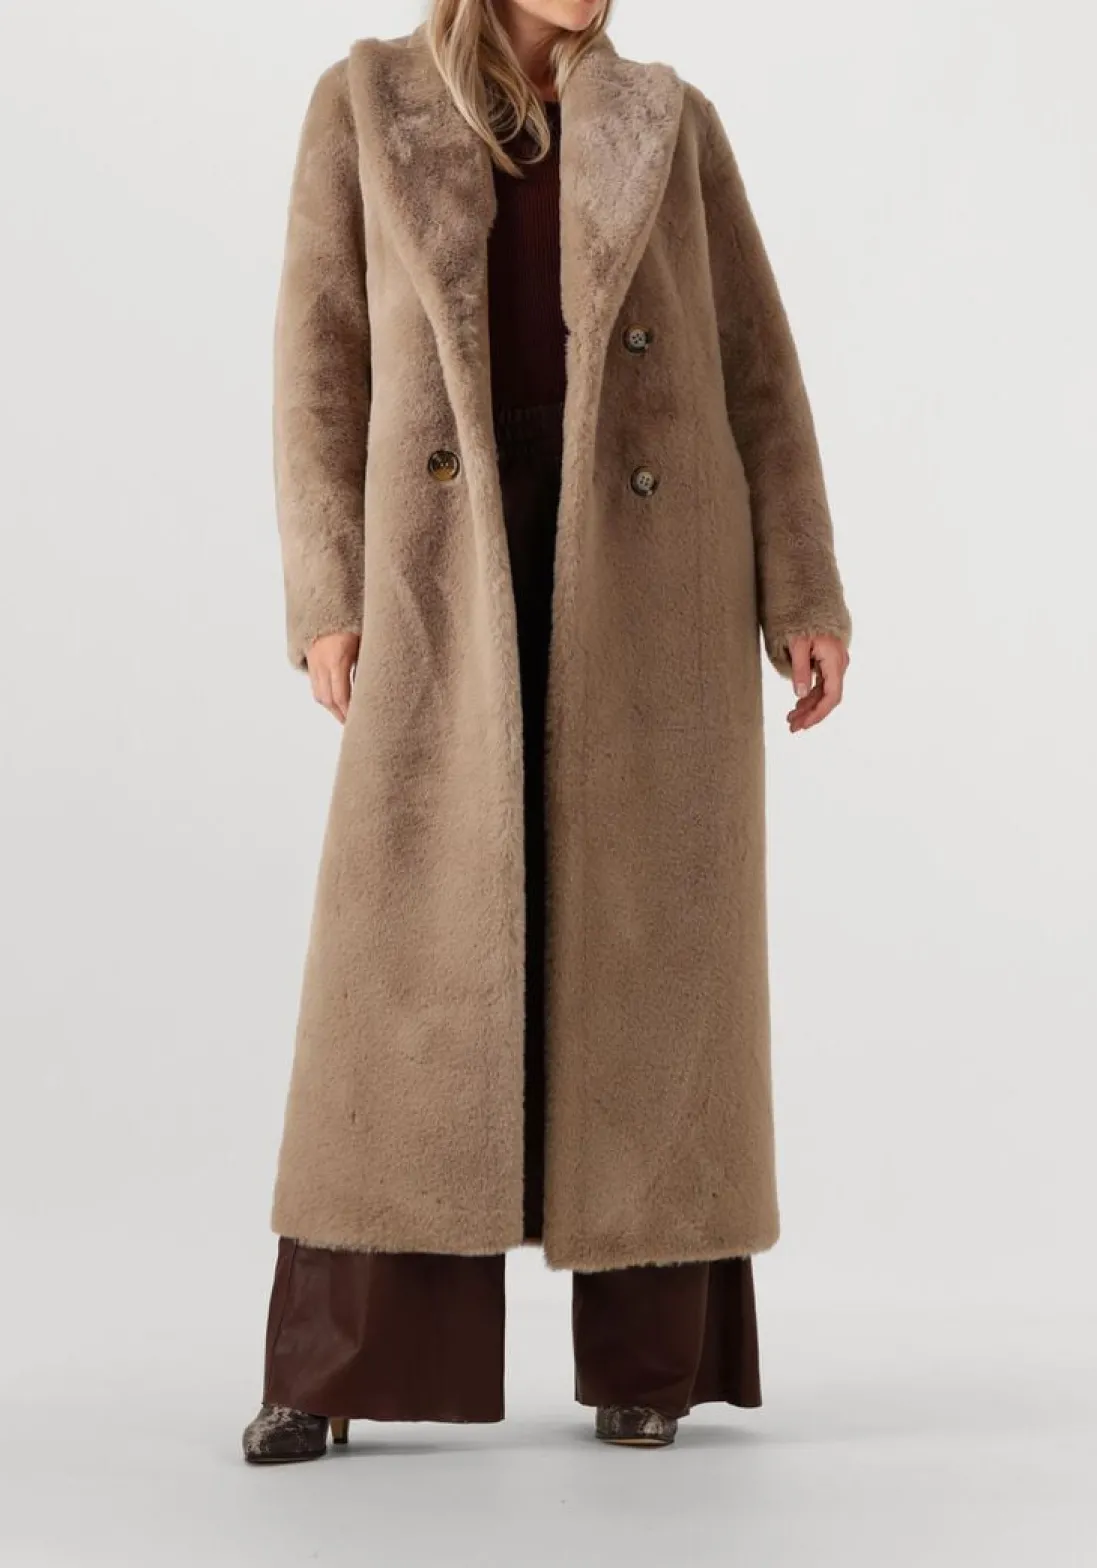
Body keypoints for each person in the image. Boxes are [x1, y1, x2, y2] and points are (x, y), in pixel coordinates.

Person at [242, 0, 851, 1463]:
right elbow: (320, 360)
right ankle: (337, 1363)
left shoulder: (672, 121)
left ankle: (652, 1359)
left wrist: (802, 586)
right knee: (410, 963)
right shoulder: (365, 103)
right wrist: (328, 589)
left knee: (644, 959)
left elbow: (756, 368)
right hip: (442, 575)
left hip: (649, 583)